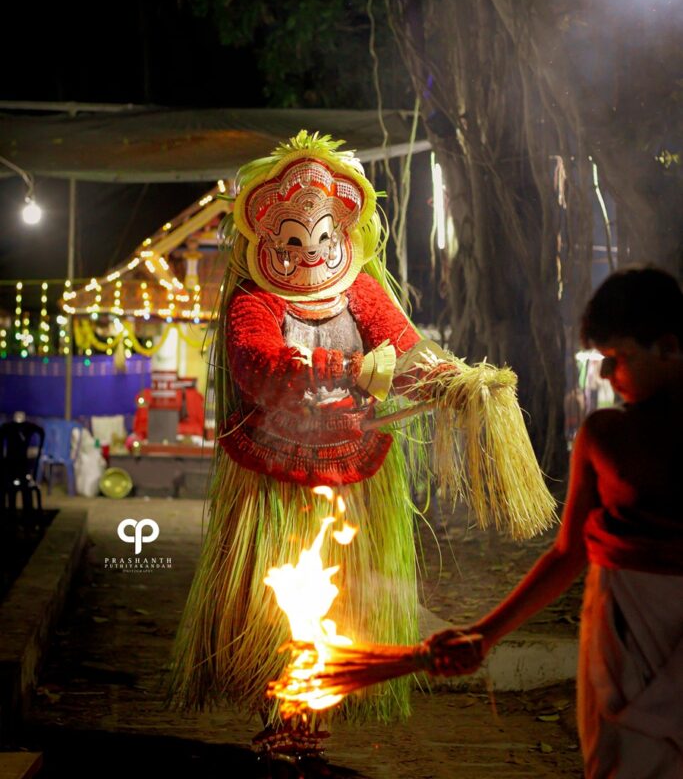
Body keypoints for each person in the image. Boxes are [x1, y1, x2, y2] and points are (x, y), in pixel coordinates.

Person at [168, 130, 555, 729]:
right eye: (295, 241)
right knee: (280, 605)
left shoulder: (361, 291)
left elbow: (402, 353)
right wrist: (349, 368)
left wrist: (448, 381)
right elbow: (258, 368)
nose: (312, 254)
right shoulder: (256, 300)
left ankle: (315, 711)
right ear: (269, 239)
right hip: (277, 477)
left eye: (323, 238)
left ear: (342, 235)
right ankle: (281, 707)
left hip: (352, 470)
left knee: (339, 604)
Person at [429, 266, 683, 777]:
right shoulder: (603, 434)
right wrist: (483, 633)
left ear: (670, 346)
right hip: (620, 638)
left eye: (619, 359)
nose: (608, 377)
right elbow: (568, 554)